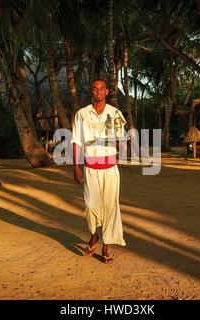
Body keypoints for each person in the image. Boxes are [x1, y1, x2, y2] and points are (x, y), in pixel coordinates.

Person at [71, 79, 127, 264]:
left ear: (107, 91)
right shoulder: (82, 114)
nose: (98, 92)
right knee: (91, 205)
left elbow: (122, 140)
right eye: (95, 88)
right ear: (91, 92)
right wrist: (76, 166)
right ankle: (94, 235)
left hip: (110, 168)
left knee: (111, 207)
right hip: (90, 168)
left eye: (102, 88)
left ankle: (106, 246)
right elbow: (76, 141)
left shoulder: (115, 113)